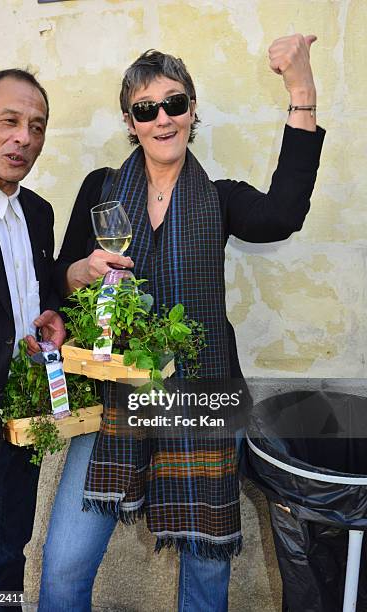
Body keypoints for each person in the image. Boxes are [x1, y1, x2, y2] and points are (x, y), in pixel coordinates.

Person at [39, 35, 325, 612]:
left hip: (202, 397)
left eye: (175, 103)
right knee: (64, 564)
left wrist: (301, 89)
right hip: (113, 394)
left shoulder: (219, 199)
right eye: (146, 109)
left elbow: (283, 214)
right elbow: (56, 281)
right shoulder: (101, 189)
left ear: (193, 111)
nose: (162, 118)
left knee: (204, 570)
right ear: (131, 120)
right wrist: (80, 273)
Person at [0, 69, 65, 609]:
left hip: (21, 428)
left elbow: (31, 302)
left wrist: (52, 317)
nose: (24, 137)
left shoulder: (40, 214)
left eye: (37, 126)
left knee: (7, 566)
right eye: (9, 121)